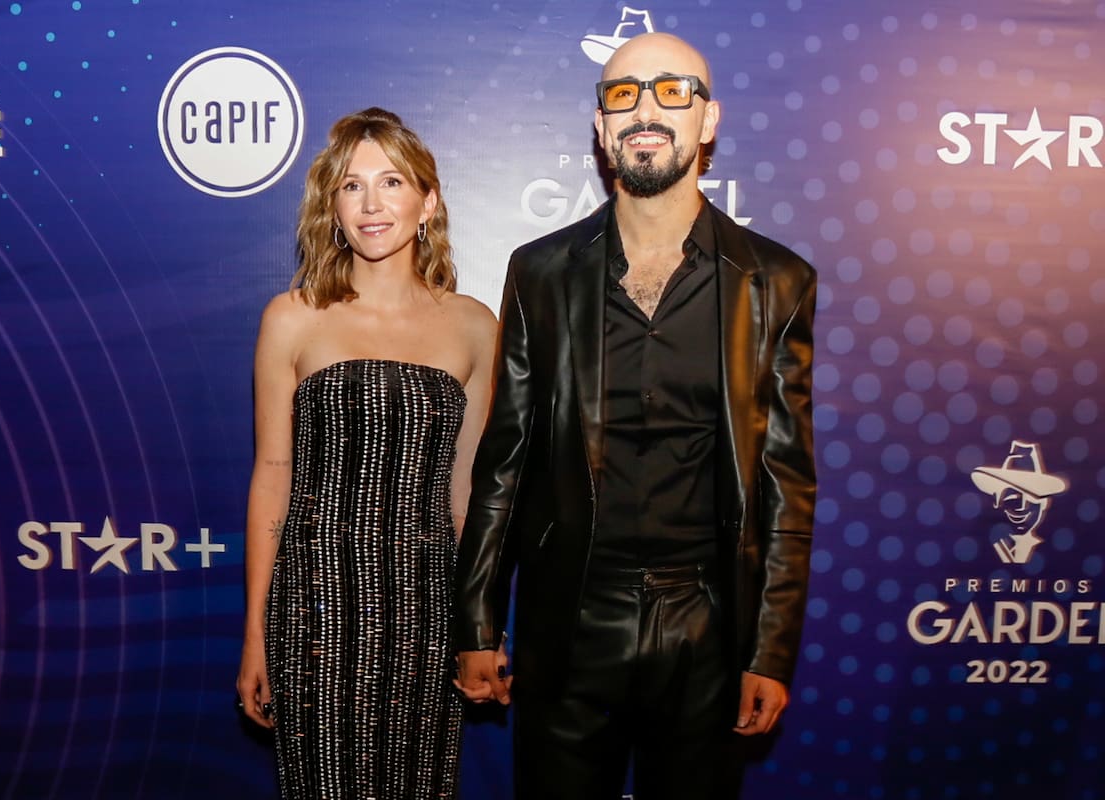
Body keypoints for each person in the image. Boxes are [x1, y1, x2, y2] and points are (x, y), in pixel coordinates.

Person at [453, 32, 817, 799]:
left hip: (708, 627)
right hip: (571, 618)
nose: (645, 111)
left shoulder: (778, 281)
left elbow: (786, 485)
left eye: (672, 91)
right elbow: (504, 460)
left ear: (707, 120)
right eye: (623, 94)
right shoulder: (540, 272)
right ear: (601, 126)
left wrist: (770, 649)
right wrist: (477, 622)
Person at [236, 107, 499, 799]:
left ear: (428, 202)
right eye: (352, 186)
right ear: (333, 207)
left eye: (391, 182)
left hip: (426, 607)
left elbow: (469, 495)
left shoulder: (475, 325)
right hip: (315, 607)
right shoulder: (291, 317)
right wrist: (256, 633)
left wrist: (479, 627)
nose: (372, 204)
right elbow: (272, 479)